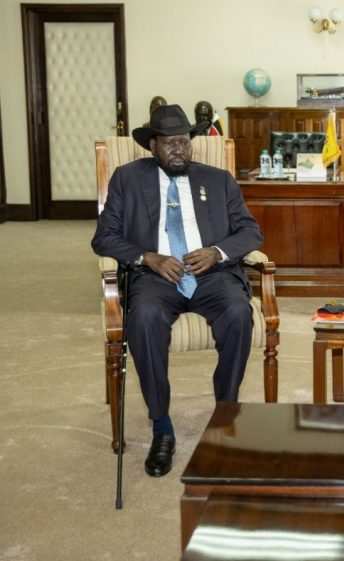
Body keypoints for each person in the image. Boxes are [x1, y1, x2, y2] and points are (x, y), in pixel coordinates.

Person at [92, 104, 263, 477]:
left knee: (239, 312)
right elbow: (103, 237)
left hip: (212, 273)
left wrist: (217, 252)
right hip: (156, 275)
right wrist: (147, 258)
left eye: (184, 141)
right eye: (169, 143)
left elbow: (251, 231)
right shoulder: (127, 178)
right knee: (144, 318)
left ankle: (225, 413)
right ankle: (162, 425)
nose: (179, 149)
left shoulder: (219, 181)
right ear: (152, 145)